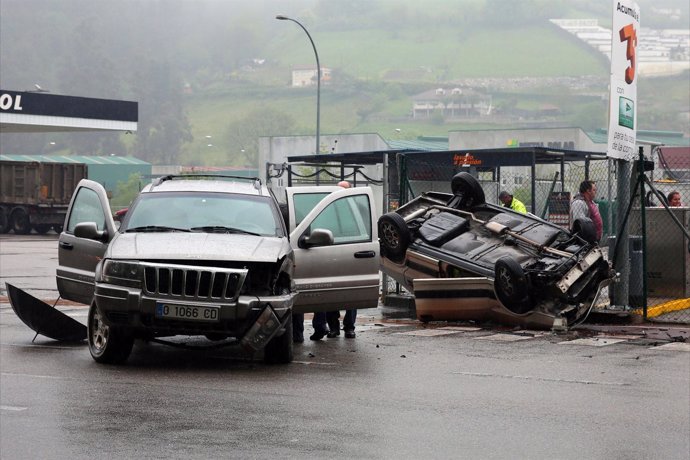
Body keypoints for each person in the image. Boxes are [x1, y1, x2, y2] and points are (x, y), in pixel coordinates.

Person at [326, 179, 357, 339]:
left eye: (343, 190)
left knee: (351, 294)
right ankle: (333, 327)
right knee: (330, 292)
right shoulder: (328, 209)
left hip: (350, 253)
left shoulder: (355, 210)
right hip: (331, 254)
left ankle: (349, 327)